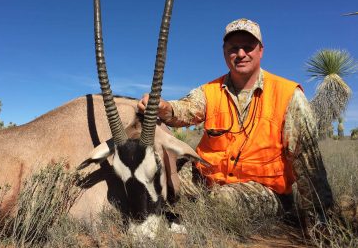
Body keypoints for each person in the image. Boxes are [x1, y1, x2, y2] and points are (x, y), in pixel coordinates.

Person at [138, 18, 334, 232]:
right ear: (224, 52)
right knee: (160, 182)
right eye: (234, 48)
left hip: (265, 190)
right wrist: (164, 107)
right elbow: (184, 110)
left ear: (261, 50)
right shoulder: (209, 91)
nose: (241, 54)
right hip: (207, 179)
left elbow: (309, 165)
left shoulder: (288, 95)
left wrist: (319, 224)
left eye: (248, 47)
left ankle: (188, 223)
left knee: (223, 202)